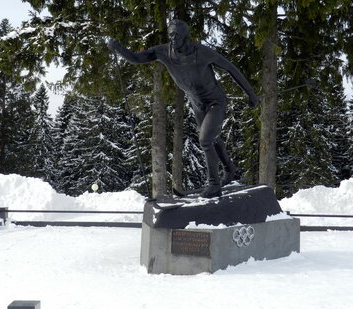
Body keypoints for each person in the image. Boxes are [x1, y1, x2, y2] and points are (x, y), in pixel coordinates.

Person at [108, 19, 259, 198]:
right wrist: (118, 48)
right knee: (211, 137)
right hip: (197, 103)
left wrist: (251, 93)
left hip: (215, 101)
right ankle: (229, 168)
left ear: (185, 36)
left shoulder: (202, 52)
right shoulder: (164, 52)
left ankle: (214, 184)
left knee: (205, 140)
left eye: (177, 35)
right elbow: (137, 58)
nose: (173, 38)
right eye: (171, 34)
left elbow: (231, 68)